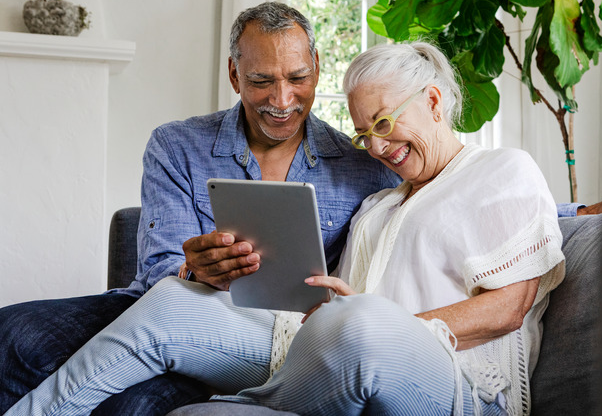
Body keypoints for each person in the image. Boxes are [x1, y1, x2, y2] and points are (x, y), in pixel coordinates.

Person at [9, 41, 566, 416]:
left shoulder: (502, 170)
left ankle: (253, 403)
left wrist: (372, 320)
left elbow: (508, 308)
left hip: (453, 380)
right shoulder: (381, 201)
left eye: (384, 124)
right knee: (173, 299)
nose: (376, 146)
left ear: (435, 102)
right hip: (329, 345)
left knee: (363, 324)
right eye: (362, 134)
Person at [0, 2, 400, 415]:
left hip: (259, 337)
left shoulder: (366, 168)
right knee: (12, 333)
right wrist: (193, 271)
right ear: (234, 74)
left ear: (316, 67)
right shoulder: (176, 145)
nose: (282, 99)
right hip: (157, 306)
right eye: (261, 80)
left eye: (298, 78)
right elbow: (159, 272)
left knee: (132, 406)